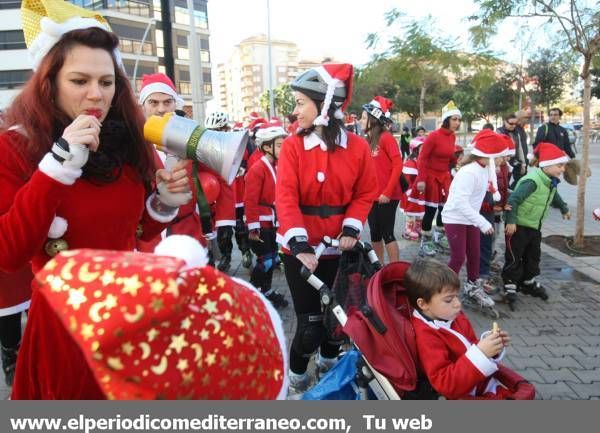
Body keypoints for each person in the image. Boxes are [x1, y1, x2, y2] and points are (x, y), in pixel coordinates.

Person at [1, 0, 191, 398]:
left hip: (129, 314)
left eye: (106, 82)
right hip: (63, 328)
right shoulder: (16, 145)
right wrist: (57, 167)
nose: (96, 95)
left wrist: (163, 203)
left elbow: (135, 226)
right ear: (48, 82)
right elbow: (9, 251)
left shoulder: (129, 137)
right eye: (79, 81)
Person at [276, 63, 378, 395]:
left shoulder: (358, 148)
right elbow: (286, 196)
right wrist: (300, 242)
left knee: (338, 322)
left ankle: (329, 367)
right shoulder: (292, 146)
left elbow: (365, 192)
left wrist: (351, 227)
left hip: (340, 248)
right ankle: (295, 377)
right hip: (298, 249)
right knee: (309, 326)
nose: (295, 111)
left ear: (324, 104)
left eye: (300, 102)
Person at [405, 258, 513, 400]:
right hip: (466, 393)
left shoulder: (453, 316)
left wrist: (491, 346)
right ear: (424, 304)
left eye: (457, 296)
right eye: (449, 300)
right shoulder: (425, 336)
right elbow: (444, 383)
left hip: (481, 384)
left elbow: (470, 344)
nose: (458, 304)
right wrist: (481, 353)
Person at [137, 73, 204, 250]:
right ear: (142, 106)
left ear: (175, 104)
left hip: (188, 235)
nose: (161, 109)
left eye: (167, 102)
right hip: (150, 240)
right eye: (153, 102)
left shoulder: (189, 138)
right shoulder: (133, 144)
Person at [441, 129, 507, 310]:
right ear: (489, 155)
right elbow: (461, 203)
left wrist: (495, 192)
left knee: (475, 254)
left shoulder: (485, 168)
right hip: (455, 217)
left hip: (470, 217)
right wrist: (482, 221)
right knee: (458, 257)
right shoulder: (469, 172)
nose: (504, 160)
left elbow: (489, 185)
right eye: (501, 156)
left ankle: (472, 287)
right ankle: (441, 291)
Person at [502, 142, 571, 308]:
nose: (563, 169)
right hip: (518, 226)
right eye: (560, 165)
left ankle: (527, 282)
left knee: (533, 256)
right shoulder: (532, 181)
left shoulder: (549, 180)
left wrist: (564, 208)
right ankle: (510, 286)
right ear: (547, 165)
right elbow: (513, 200)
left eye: (563, 166)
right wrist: (511, 221)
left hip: (534, 226)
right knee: (514, 257)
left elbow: (554, 196)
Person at [408, 101, 461, 257]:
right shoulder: (433, 136)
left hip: (444, 177)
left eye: (459, 120)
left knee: (444, 209)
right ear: (446, 120)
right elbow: (423, 159)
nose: (457, 123)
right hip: (430, 177)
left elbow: (449, 155)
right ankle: (425, 242)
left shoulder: (452, 136)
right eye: (454, 119)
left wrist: (456, 162)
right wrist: (422, 180)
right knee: (430, 210)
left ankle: (438, 237)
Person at [244, 123, 288, 309]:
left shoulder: (276, 166)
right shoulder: (258, 169)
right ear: (267, 147)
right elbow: (250, 200)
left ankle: (266, 290)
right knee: (266, 260)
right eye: (279, 145)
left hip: (271, 220)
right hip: (260, 222)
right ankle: (251, 294)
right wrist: (253, 227)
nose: (283, 148)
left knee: (272, 259)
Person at [360, 96, 403, 264]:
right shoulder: (366, 141)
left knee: (388, 234)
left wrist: (387, 192)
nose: (361, 120)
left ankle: (395, 270)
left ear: (373, 119)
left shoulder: (386, 137)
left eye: (364, 117)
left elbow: (398, 165)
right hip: (373, 196)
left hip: (388, 196)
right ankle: (379, 269)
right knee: (375, 234)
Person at [401, 137, 425, 241]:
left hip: (420, 193)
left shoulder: (423, 161)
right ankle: (408, 229)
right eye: (422, 148)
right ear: (415, 149)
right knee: (410, 212)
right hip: (411, 194)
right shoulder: (411, 163)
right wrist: (410, 192)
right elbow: (406, 180)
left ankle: (418, 228)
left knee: (420, 213)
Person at [497, 113, 528, 187]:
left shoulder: (516, 132)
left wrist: (523, 164)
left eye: (515, 123)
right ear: (505, 122)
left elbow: (520, 148)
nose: (513, 126)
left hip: (516, 161)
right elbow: (496, 150)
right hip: (504, 162)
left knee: (521, 181)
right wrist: (497, 164)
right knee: (504, 184)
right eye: (511, 123)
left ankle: (513, 194)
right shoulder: (499, 132)